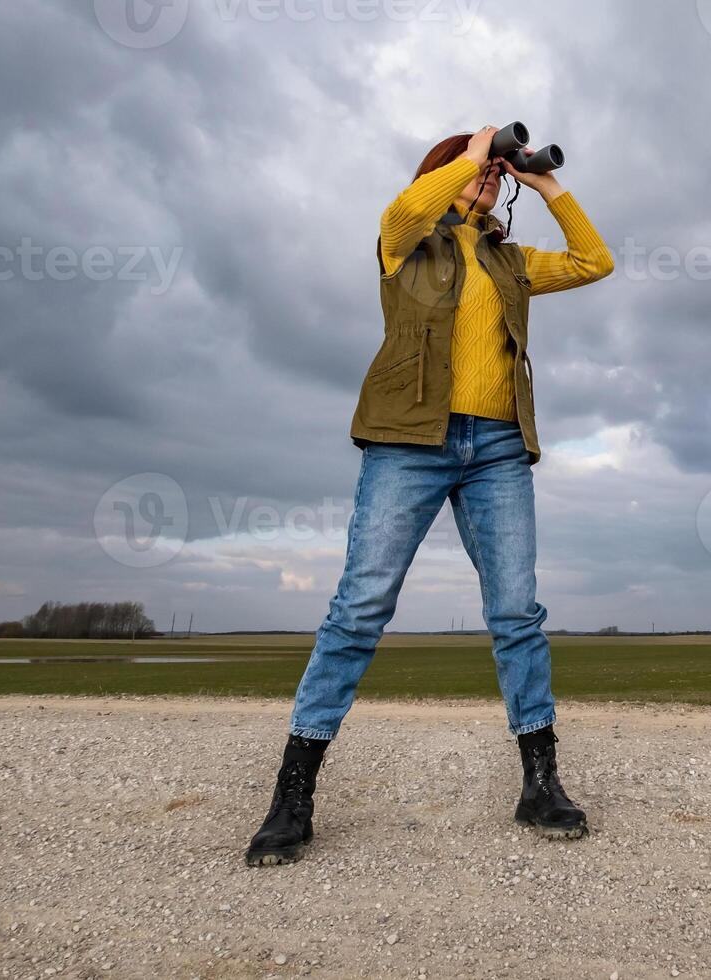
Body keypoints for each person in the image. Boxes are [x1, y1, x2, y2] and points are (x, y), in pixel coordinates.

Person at [244, 125, 615, 866]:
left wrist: (545, 185)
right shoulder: (407, 244)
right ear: (447, 173)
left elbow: (593, 261)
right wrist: (470, 153)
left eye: (494, 173)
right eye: (478, 170)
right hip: (409, 440)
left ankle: (539, 783)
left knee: (516, 612)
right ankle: (293, 795)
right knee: (360, 607)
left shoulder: (511, 262)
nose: (488, 178)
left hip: (498, 446)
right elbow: (401, 215)